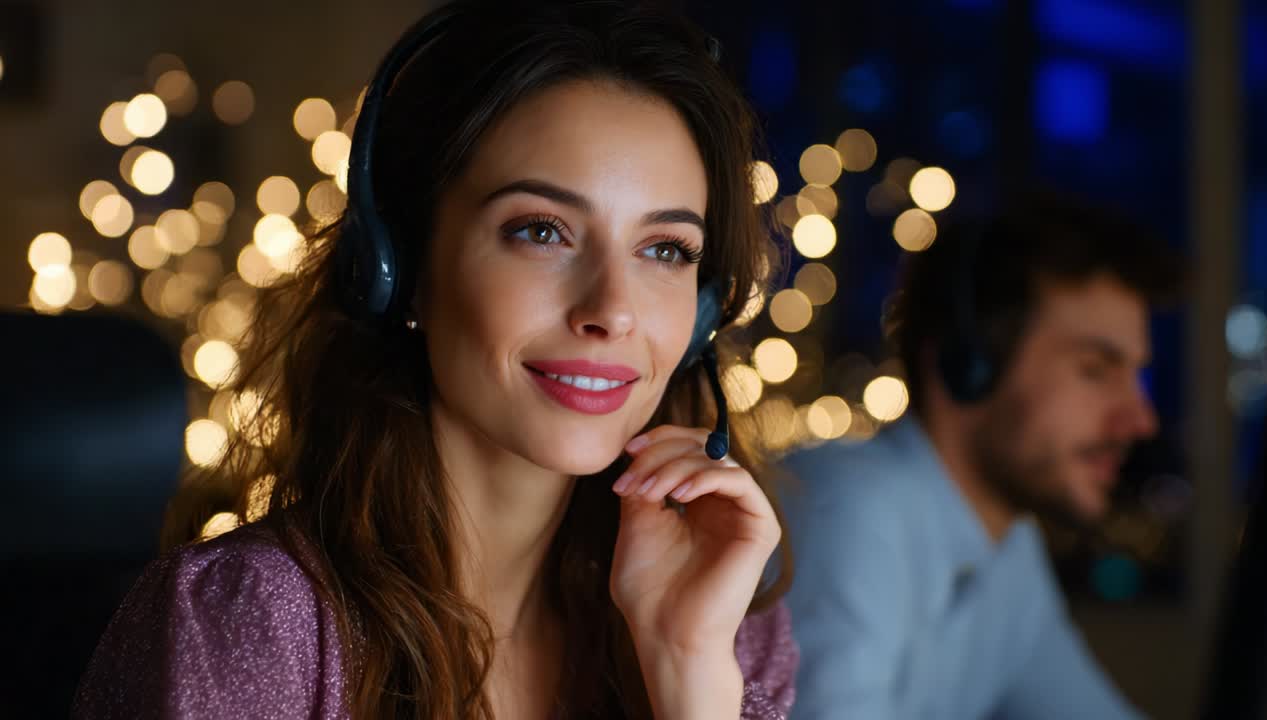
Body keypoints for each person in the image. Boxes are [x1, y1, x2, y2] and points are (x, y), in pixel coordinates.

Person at [72, 2, 797, 718]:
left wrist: (685, 667)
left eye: (665, 249)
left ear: (703, 314)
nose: (612, 311)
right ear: (400, 265)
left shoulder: (721, 620)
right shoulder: (251, 627)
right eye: (541, 231)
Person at [781, 198, 1181, 719]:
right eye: (1095, 370)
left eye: (1136, 375)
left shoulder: (1009, 547)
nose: (1141, 420)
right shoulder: (855, 511)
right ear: (967, 366)